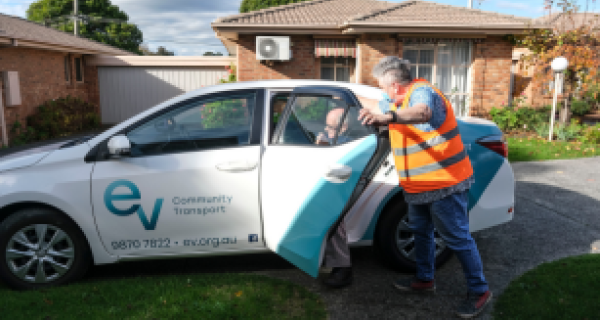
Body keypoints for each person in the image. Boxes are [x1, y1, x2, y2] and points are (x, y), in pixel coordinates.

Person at [357, 56, 492, 319]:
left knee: (457, 238)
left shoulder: (423, 93)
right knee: (421, 231)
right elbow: (373, 103)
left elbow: (422, 112)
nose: (384, 92)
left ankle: (479, 290)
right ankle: (424, 279)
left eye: (384, 87)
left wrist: (388, 116)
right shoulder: (396, 99)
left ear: (394, 85)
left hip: (445, 183)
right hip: (417, 186)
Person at [316, 107, 354, 288]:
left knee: (334, 218)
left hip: (341, 190)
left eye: (329, 128)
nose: (325, 131)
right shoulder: (333, 138)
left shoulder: (347, 142)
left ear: (344, 127)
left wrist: (323, 146)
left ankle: (343, 267)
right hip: (330, 186)